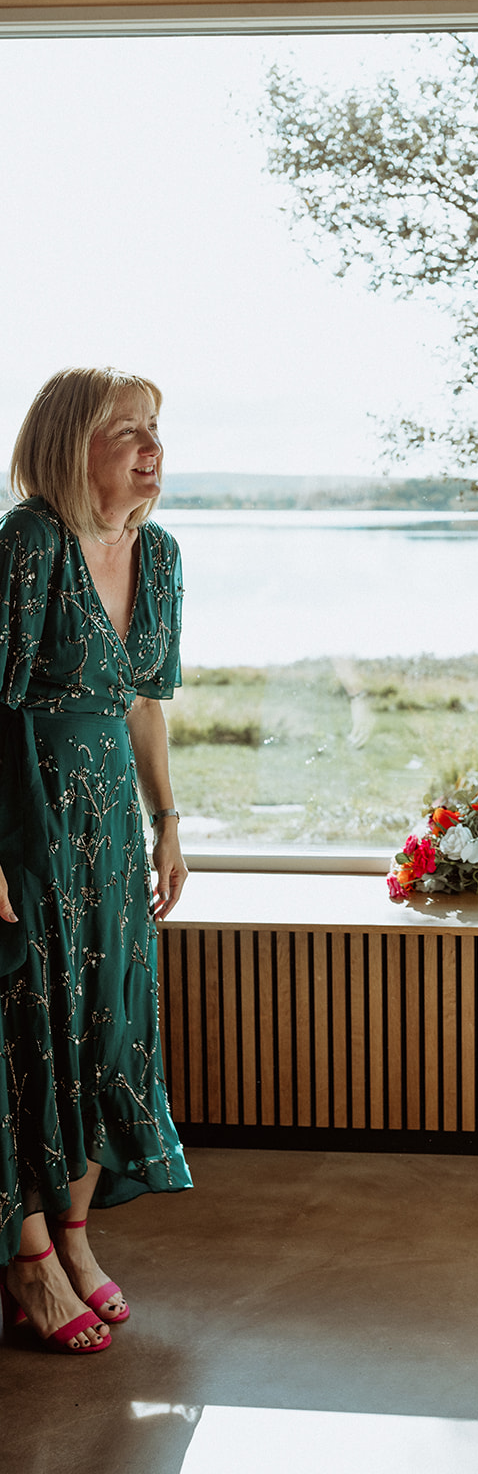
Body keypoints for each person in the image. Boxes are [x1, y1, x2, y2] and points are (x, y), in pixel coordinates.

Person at [0, 366, 192, 1355]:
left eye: (155, 428)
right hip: (25, 816)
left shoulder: (156, 554)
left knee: (106, 1023)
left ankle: (76, 1238)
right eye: (127, 430)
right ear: (73, 443)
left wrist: (168, 821)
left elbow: (146, 699)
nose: (151, 447)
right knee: (27, 1028)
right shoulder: (29, 542)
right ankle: (27, 1257)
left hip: (112, 820)